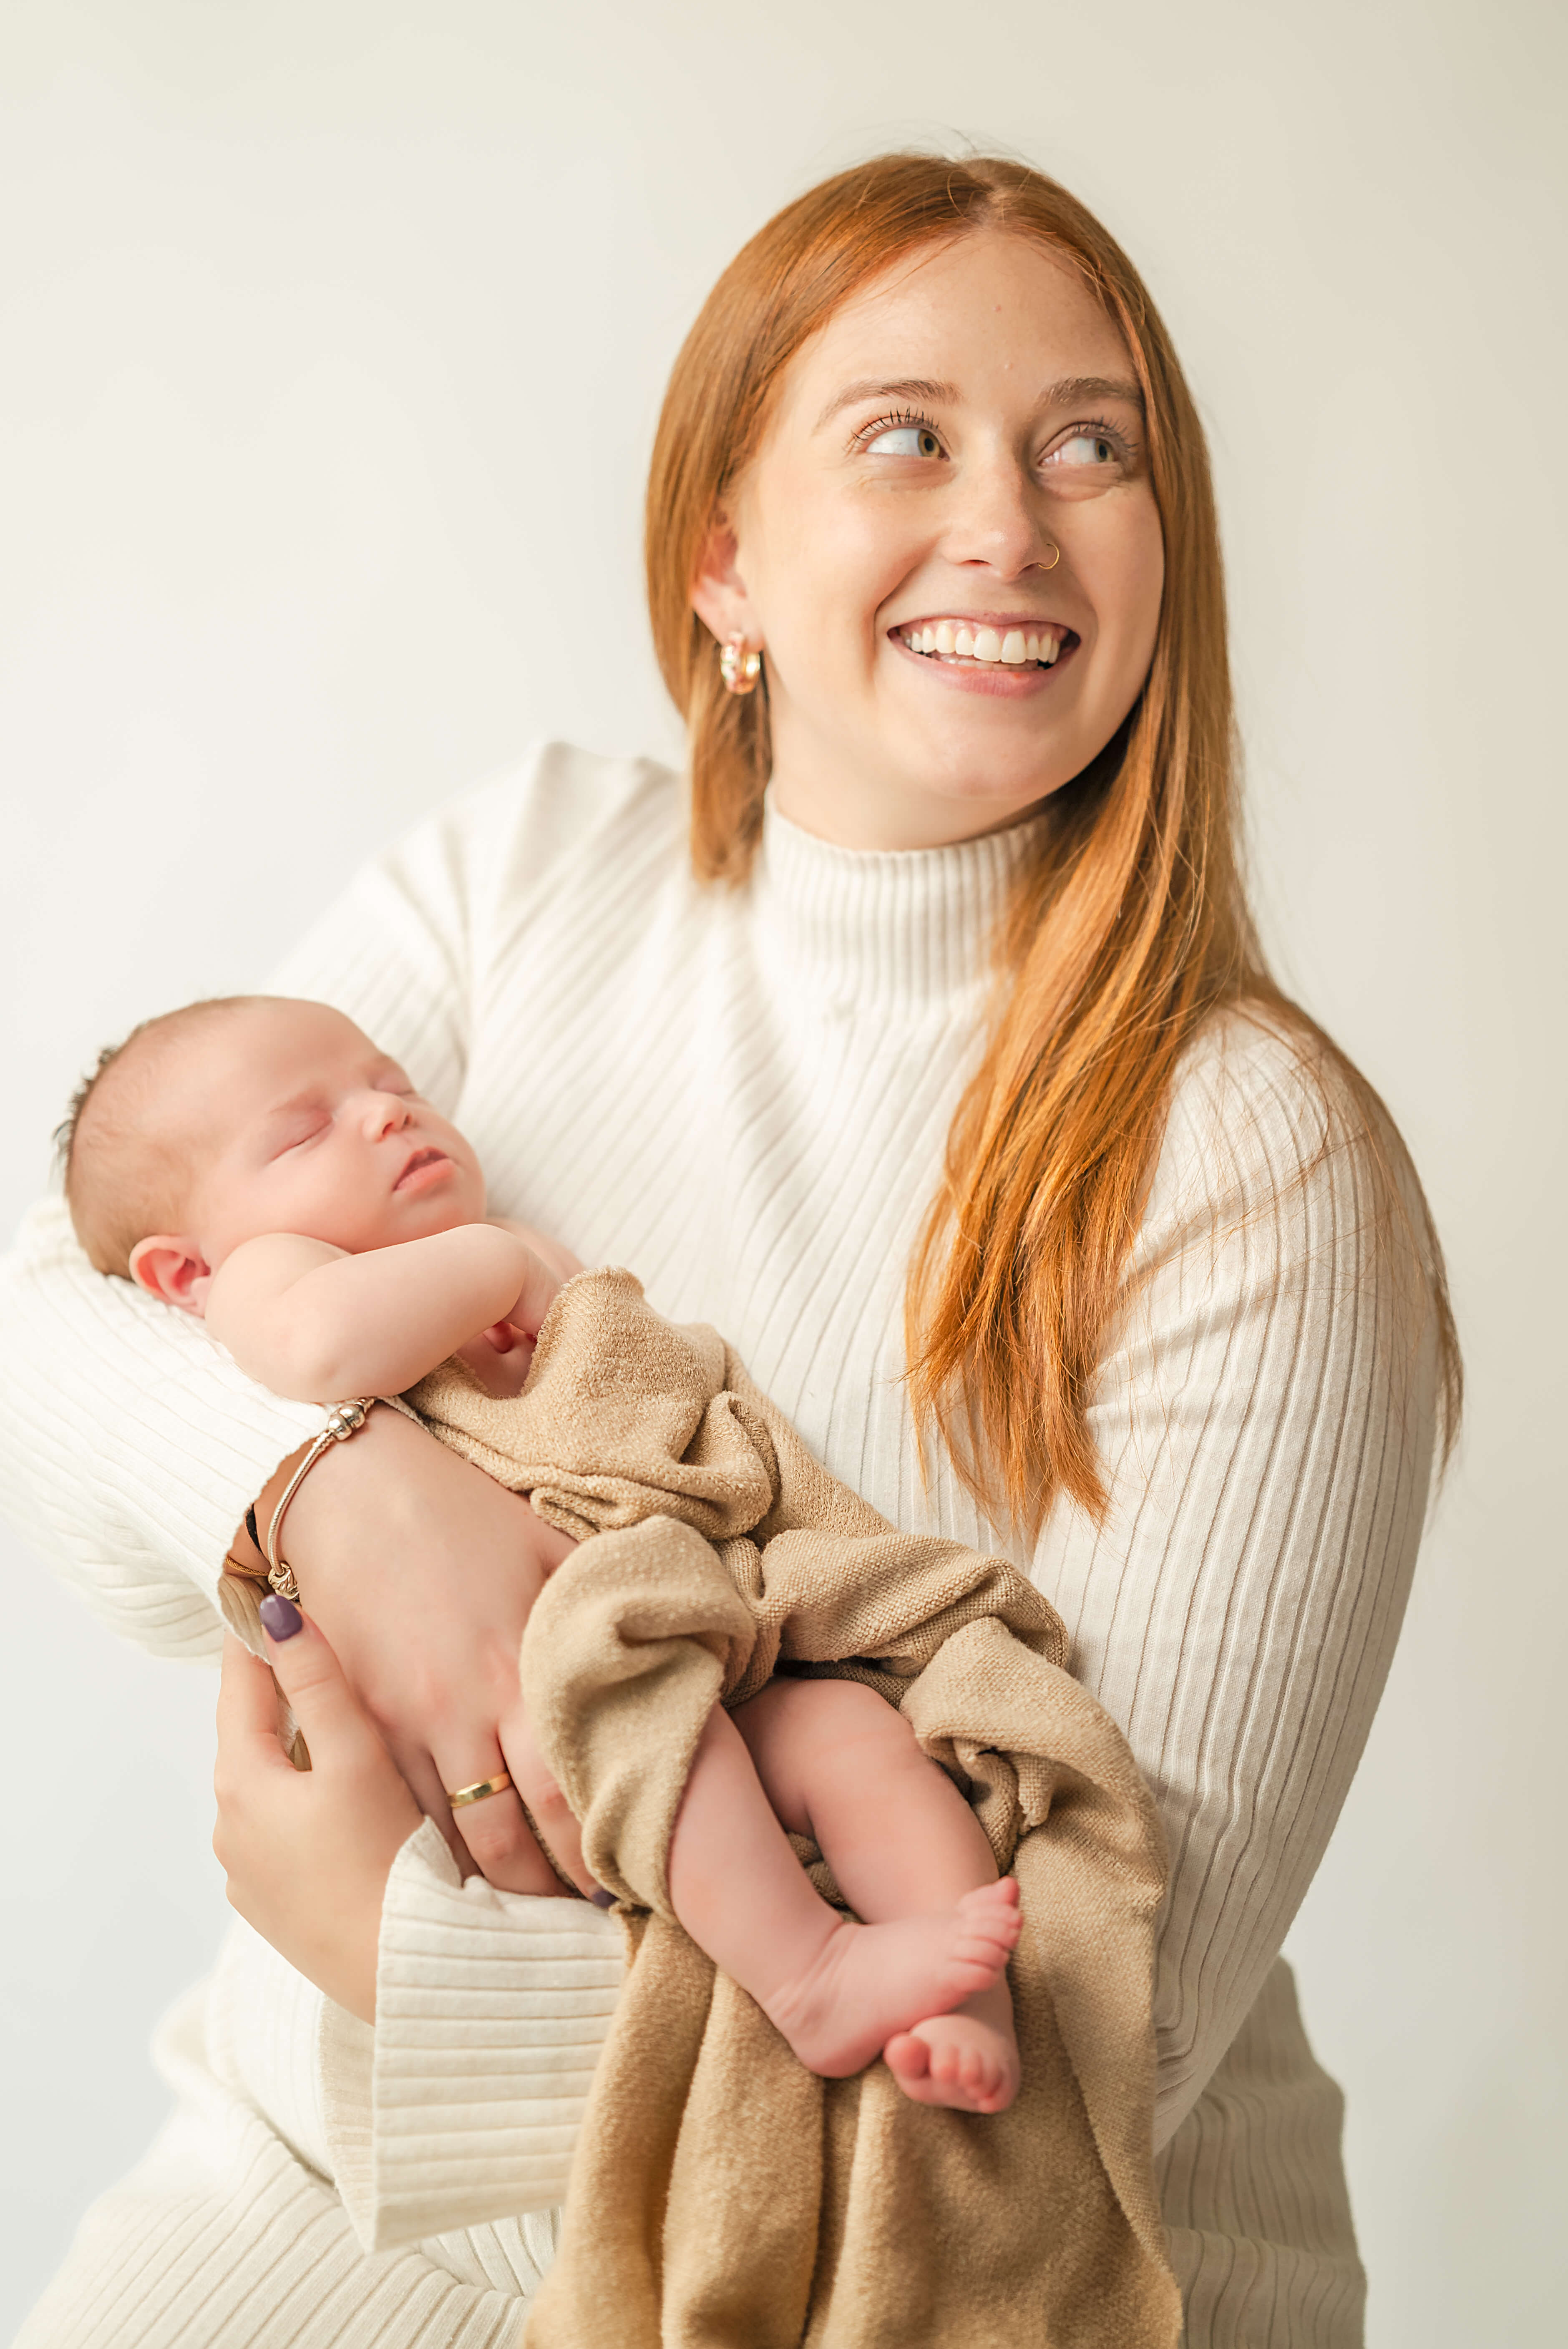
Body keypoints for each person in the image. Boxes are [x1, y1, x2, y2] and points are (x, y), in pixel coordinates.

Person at [0, 151, 1457, 2348]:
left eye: (1094, 446)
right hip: (308, 2192)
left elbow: (1060, 2077)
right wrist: (337, 1489)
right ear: (722, 564)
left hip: (912, 2279)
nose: (1015, 524)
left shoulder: (1258, 1158)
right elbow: (66, 1315)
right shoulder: (527, 878)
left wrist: (399, 1960)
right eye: (910, 436)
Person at [61, 989, 1028, 2112]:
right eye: (303, 1130)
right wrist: (494, 1268)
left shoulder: (492, 1248)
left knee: (856, 1737)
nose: (384, 1115)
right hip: (577, 1672)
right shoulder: (272, 1272)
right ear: (187, 1275)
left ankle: (965, 2005)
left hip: (681, 1617)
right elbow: (320, 1346)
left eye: (394, 1086)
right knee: (648, 1711)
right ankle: (811, 1976)